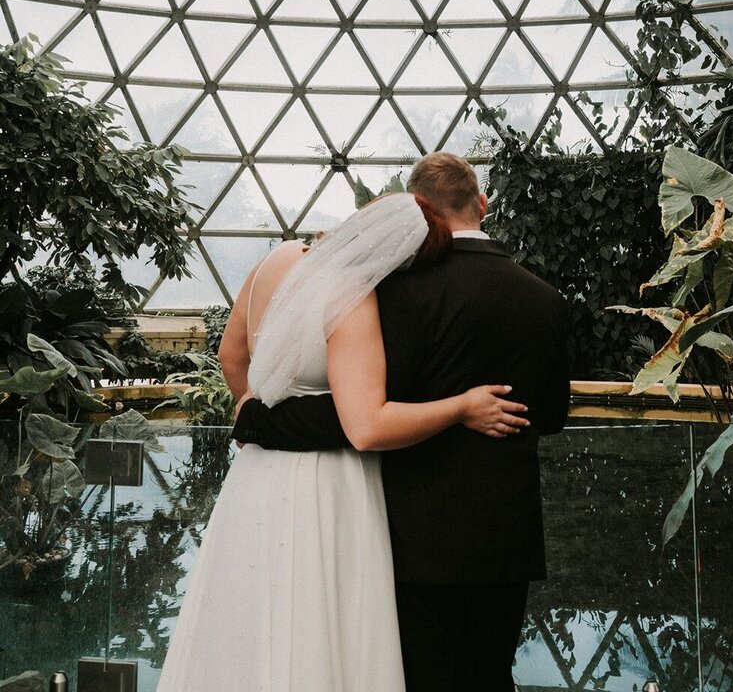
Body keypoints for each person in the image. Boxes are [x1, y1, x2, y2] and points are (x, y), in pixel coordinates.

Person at [157, 191, 528, 692]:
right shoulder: (351, 295)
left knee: (244, 619)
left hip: (253, 480)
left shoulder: (279, 258)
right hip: (325, 483)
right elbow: (366, 426)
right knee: (318, 623)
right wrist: (462, 407)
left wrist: (253, 404)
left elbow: (230, 353)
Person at [234, 151, 570, 692]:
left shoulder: (397, 293)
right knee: (491, 675)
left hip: (416, 538)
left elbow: (356, 415)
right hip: (505, 539)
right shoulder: (546, 300)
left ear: (420, 210)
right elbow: (551, 415)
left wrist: (256, 421)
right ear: (482, 204)